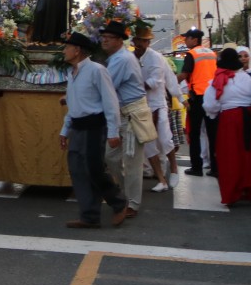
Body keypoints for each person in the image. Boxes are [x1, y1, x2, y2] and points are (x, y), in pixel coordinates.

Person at [58, 32, 129, 229]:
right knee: (77, 170)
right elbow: (73, 105)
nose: (64, 51)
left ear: (77, 50)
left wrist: (113, 131)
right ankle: (89, 215)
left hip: (94, 127)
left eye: (67, 47)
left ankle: (118, 202)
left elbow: (110, 101)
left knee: (94, 169)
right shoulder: (72, 73)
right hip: (77, 127)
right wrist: (65, 130)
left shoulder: (97, 70)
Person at [99, 21, 154, 219]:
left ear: (119, 40)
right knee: (111, 157)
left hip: (132, 114)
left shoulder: (122, 59)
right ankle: (125, 194)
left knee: (132, 161)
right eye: (103, 37)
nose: (104, 40)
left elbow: (107, 87)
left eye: (109, 37)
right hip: (123, 113)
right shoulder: (118, 57)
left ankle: (132, 203)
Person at [203, 48, 251, 207]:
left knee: (230, 157)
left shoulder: (216, 81)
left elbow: (211, 106)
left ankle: (232, 193)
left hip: (229, 120)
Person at [132, 27, 177, 193]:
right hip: (139, 105)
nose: (141, 44)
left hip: (157, 103)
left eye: (144, 41)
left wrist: (132, 88)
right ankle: (161, 180)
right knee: (149, 145)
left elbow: (155, 81)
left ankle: (174, 169)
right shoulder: (130, 58)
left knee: (165, 139)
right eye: (139, 40)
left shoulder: (156, 58)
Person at [178, 28, 217, 177]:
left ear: (194, 40)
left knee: (194, 133)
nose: (185, 40)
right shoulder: (212, 53)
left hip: (198, 98)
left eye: (187, 38)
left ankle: (196, 167)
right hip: (212, 96)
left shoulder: (192, 54)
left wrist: (170, 82)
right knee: (212, 133)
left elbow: (184, 74)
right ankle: (215, 168)